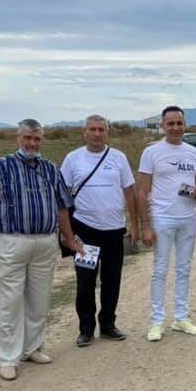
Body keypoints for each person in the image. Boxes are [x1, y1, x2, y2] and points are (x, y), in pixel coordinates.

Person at [0, 119, 80, 381]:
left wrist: (69, 239)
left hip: (45, 242)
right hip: (13, 240)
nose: (32, 144)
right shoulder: (0, 168)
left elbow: (62, 207)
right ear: (18, 139)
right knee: (10, 301)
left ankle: (32, 348)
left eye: (37, 139)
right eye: (27, 138)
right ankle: (7, 358)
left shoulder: (50, 168)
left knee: (39, 299)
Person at [60, 115, 139, 347]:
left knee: (112, 280)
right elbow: (62, 196)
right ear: (84, 132)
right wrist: (65, 232)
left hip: (114, 230)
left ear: (107, 133)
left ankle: (108, 325)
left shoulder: (118, 158)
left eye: (101, 130)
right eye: (92, 129)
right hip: (85, 230)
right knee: (85, 281)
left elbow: (130, 191)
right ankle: (86, 329)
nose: (97, 134)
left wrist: (134, 224)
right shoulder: (73, 159)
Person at [137, 106, 196, 342]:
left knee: (184, 269)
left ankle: (181, 317)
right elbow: (142, 190)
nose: (175, 128)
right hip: (162, 217)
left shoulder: (193, 152)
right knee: (160, 269)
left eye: (179, 123)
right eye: (171, 124)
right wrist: (145, 225)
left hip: (188, 217)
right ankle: (157, 321)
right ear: (163, 126)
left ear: (184, 125)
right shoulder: (152, 152)